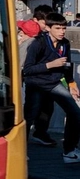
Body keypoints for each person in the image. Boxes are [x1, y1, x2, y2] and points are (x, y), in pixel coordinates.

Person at [21, 14, 80, 162]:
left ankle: (69, 151)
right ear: (48, 28)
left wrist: (72, 84)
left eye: (64, 28)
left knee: (75, 112)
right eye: (58, 28)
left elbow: (67, 66)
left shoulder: (64, 43)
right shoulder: (37, 43)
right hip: (36, 84)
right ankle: (19, 152)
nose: (62, 31)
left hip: (53, 84)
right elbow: (27, 69)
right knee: (29, 116)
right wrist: (50, 65)